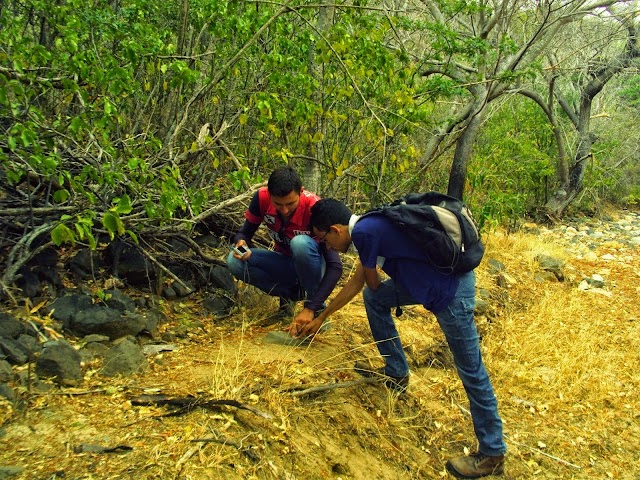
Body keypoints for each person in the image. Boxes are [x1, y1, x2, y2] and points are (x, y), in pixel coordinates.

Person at [291, 198, 506, 479]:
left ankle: (492, 453)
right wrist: (321, 317)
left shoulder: (366, 233)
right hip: (430, 284)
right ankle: (396, 372)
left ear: (336, 229)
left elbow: (368, 281)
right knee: (375, 300)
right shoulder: (370, 225)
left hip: (449, 293)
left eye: (326, 240)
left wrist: (323, 315)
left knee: (471, 371)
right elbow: (364, 286)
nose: (329, 248)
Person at [227, 166, 342, 326]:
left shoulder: (315, 207)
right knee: (233, 261)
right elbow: (243, 234)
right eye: (278, 204)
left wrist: (312, 306)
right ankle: (289, 297)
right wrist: (241, 244)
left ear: (301, 191)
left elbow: (335, 266)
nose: (285, 210)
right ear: (269, 194)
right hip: (284, 263)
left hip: (314, 268)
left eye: (290, 203)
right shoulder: (261, 198)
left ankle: (316, 311)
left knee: (300, 243)